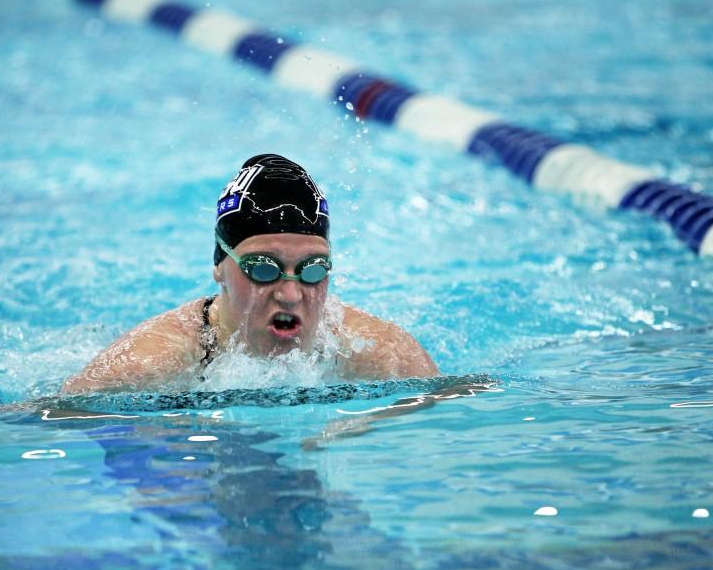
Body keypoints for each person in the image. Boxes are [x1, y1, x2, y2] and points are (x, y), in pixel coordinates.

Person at [62, 153, 439, 394]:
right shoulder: (149, 364)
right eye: (263, 268)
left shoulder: (380, 354)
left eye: (311, 270)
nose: (290, 295)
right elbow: (44, 422)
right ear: (219, 267)